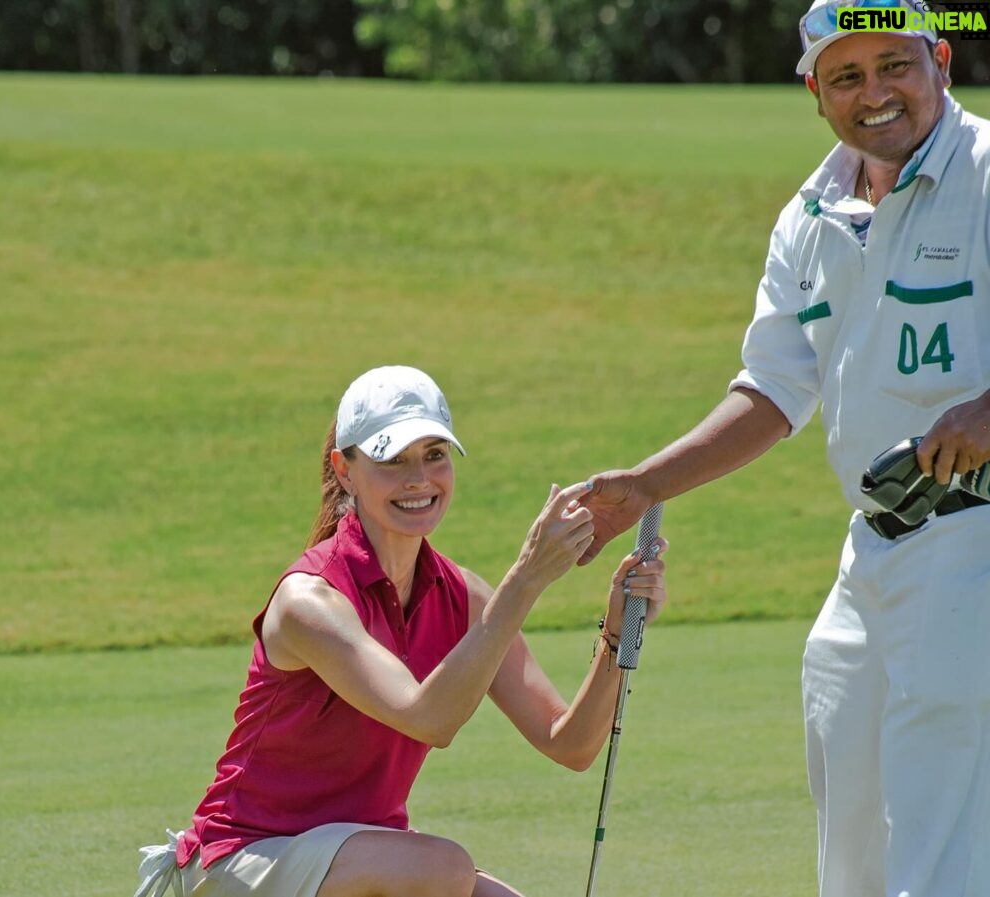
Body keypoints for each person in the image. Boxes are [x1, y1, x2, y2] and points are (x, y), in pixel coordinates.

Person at [574, 3, 990, 896]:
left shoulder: (988, 173)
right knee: (849, 822)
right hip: (875, 545)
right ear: (815, 93)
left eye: (895, 65)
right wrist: (644, 484)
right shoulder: (812, 212)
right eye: (847, 76)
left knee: (943, 831)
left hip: (977, 542)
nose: (875, 94)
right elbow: (773, 390)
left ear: (941, 61)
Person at [134, 365, 667, 897]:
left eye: (435, 455)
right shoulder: (309, 600)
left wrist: (617, 633)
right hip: (242, 860)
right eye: (392, 459)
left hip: (360, 860)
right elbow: (429, 719)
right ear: (344, 470)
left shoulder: (464, 596)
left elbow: (570, 743)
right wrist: (526, 579)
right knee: (442, 868)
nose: (418, 479)